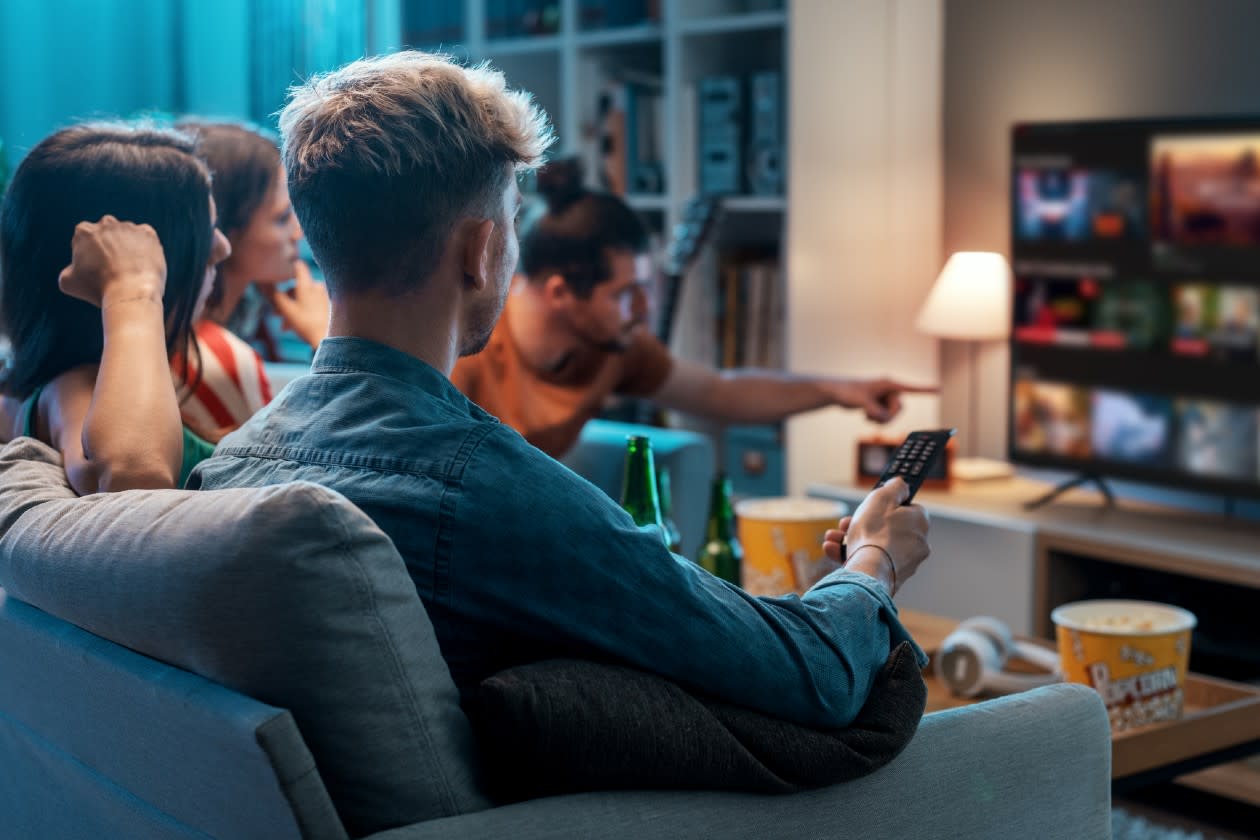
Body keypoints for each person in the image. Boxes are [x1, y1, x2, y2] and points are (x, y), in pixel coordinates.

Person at [189, 51, 931, 728]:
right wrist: (876, 560)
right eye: (512, 220)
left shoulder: (226, 467)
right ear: (481, 250)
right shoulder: (481, 485)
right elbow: (812, 675)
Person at [450, 166, 935, 458]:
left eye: (648, 288)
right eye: (627, 293)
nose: (645, 309)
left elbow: (720, 393)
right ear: (559, 292)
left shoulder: (613, 344)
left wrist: (836, 390)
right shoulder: (467, 351)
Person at [0, 123, 231, 493]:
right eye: (206, 232)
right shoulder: (75, 388)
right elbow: (134, 476)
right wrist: (133, 290)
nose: (221, 249)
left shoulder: (18, 388)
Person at [174, 120, 329, 438]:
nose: (298, 233)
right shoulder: (214, 358)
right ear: (224, 230)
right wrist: (325, 339)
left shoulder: (188, 333)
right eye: (282, 218)